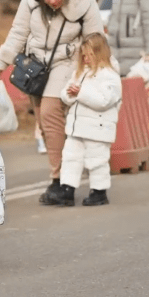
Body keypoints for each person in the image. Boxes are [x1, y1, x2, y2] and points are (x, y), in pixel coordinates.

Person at [0, 0, 104, 204]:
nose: (52, 0)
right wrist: (0, 64)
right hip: (36, 66)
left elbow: (95, 37)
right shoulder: (30, 0)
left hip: (67, 61)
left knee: (51, 114)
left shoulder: (84, 1)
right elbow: (18, 32)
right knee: (43, 121)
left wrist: (97, 70)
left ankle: (60, 180)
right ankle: (63, 175)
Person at [43, 33, 122, 206]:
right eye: (83, 55)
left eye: (89, 55)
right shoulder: (81, 73)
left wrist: (81, 93)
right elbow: (66, 94)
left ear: (99, 53)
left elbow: (104, 101)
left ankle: (99, 191)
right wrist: (70, 93)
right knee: (70, 157)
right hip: (77, 127)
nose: (85, 59)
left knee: (97, 160)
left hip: (98, 128)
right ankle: (67, 190)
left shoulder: (110, 76)